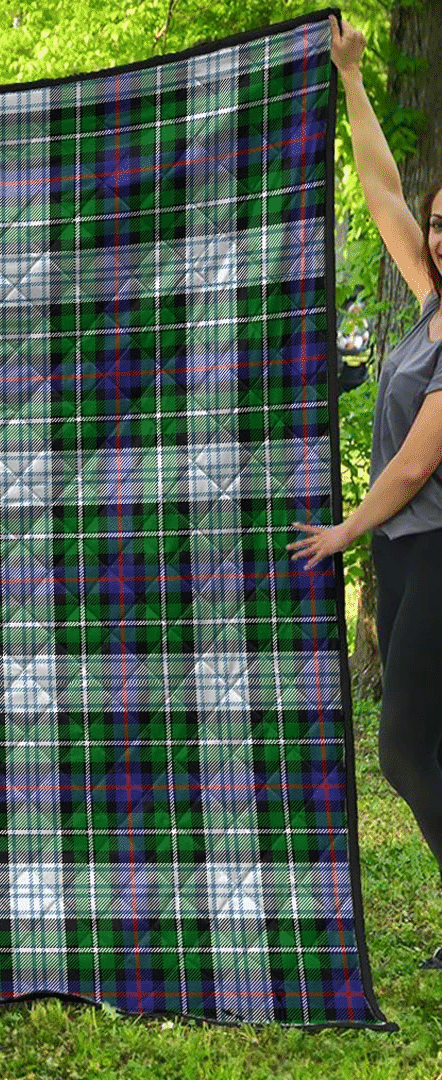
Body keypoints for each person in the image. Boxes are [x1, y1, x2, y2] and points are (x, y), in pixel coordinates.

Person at [289, 16, 442, 965]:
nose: (441, 236)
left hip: (434, 549)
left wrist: (343, 531)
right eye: (441, 223)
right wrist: (350, 78)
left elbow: (419, 463)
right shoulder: (430, 302)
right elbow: (383, 189)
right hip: (407, 551)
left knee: (401, 750)